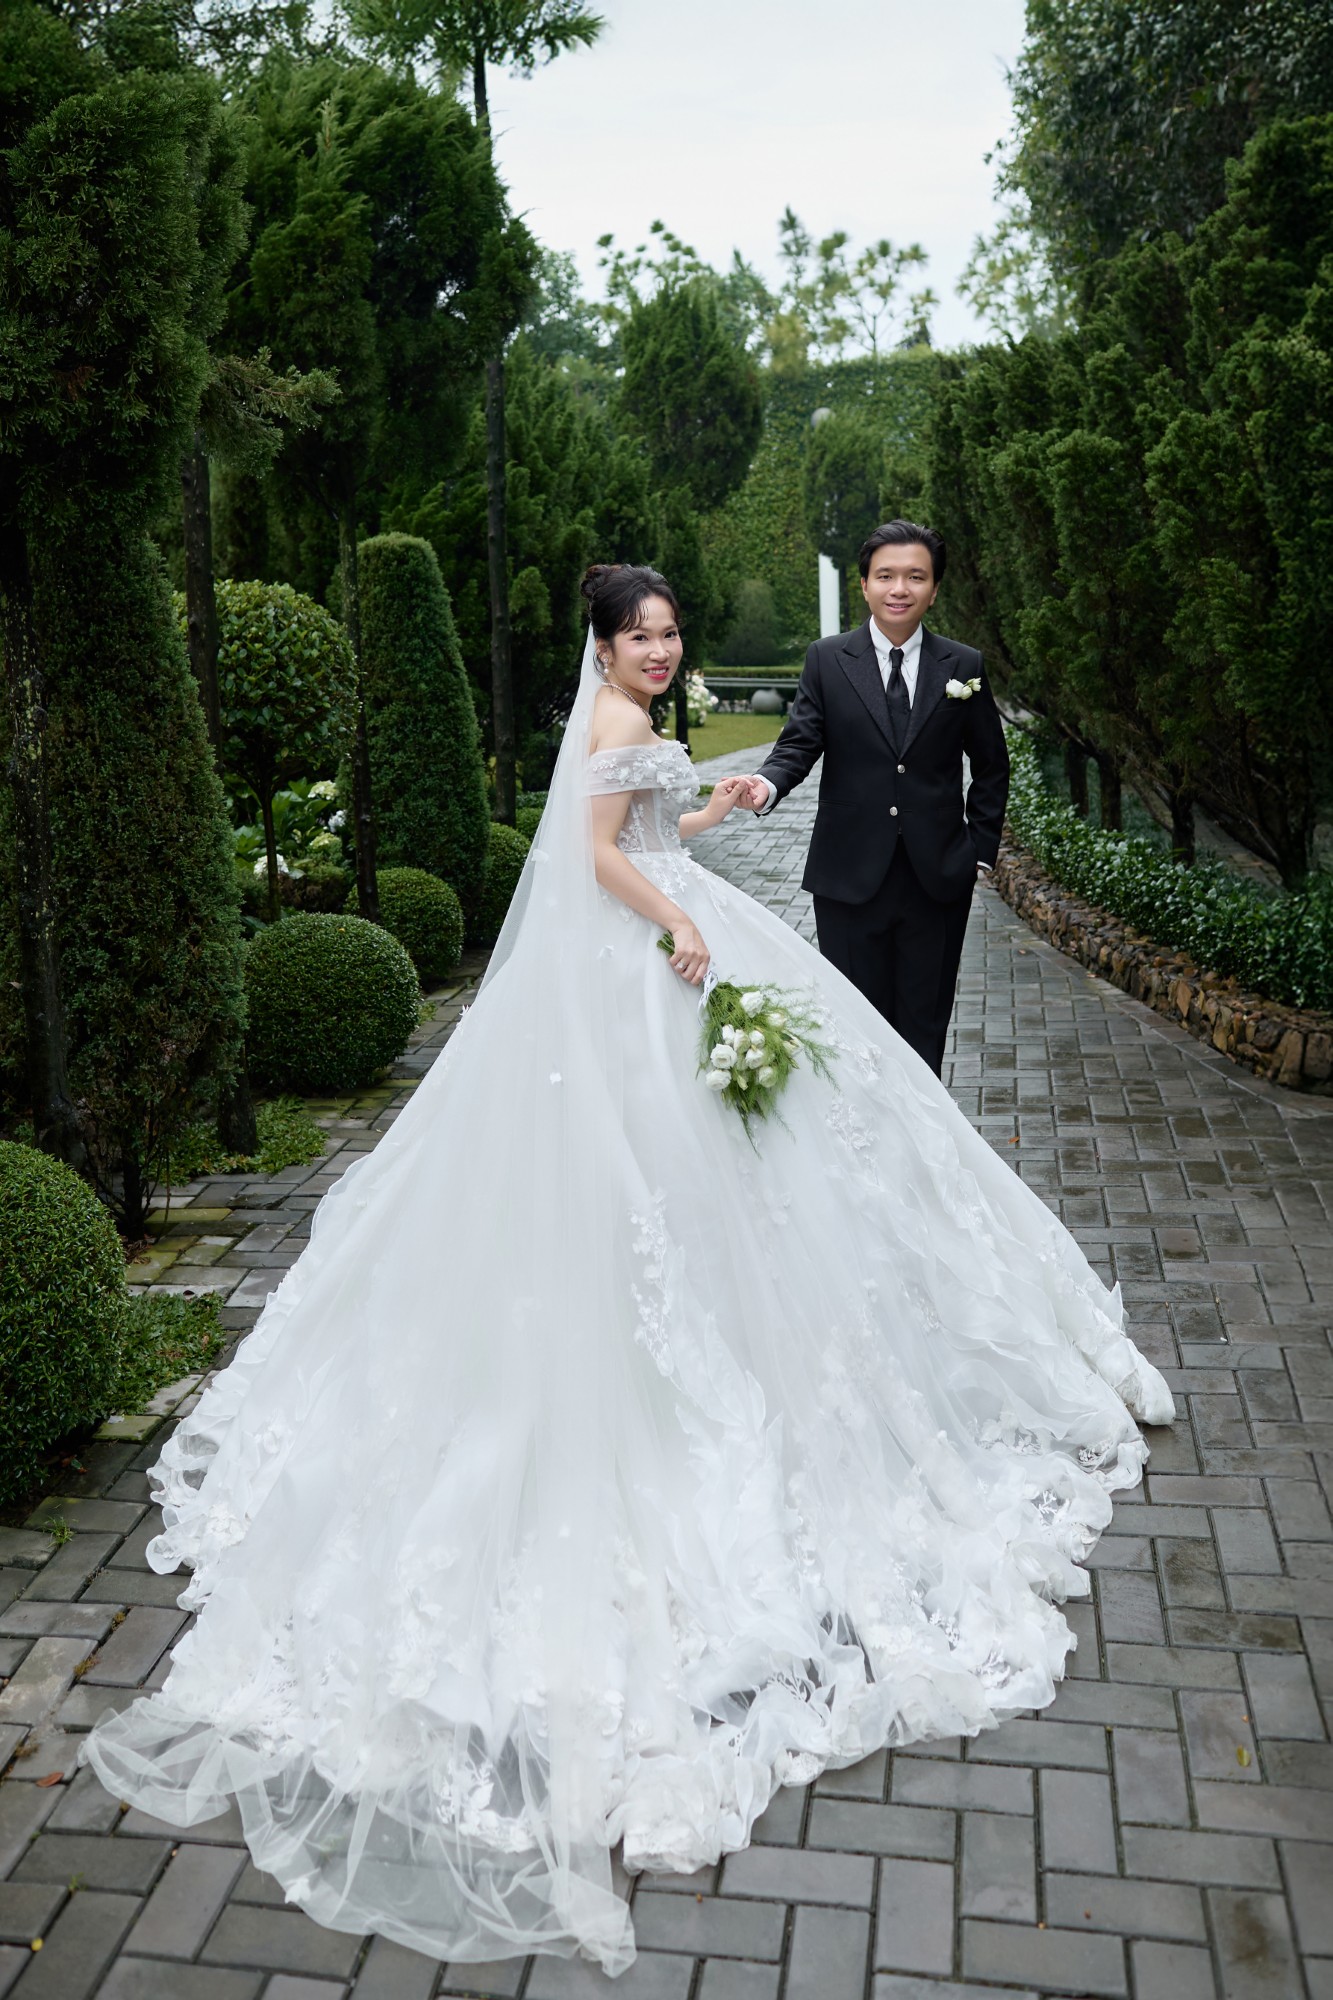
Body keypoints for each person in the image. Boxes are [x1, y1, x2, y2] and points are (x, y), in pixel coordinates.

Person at [83, 564, 1172, 1980]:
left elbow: (645, 827)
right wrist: (677, 915)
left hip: (665, 929)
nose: (660, 652)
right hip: (633, 964)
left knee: (749, 1174)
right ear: (603, 646)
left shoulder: (632, 722)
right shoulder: (608, 720)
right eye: (640, 636)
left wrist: (705, 817)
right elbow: (600, 855)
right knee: (640, 1189)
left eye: (669, 636)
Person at [743, 520, 1008, 1074]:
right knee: (854, 1027)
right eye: (885, 575)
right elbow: (799, 743)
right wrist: (766, 784)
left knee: (924, 1026)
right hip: (848, 877)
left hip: (937, 879)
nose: (899, 588)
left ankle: (923, 1131)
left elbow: (990, 765)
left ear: (934, 589)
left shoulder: (963, 666)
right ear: (864, 585)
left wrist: (978, 852)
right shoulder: (827, 659)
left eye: (916, 576)